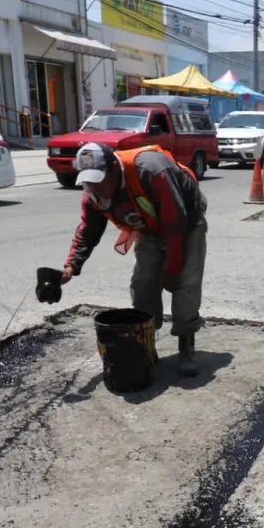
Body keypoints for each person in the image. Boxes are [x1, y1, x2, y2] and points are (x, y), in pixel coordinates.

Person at [60, 142, 208, 376]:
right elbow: (88, 230)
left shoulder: (151, 171)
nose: (94, 187)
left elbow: (175, 223)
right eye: (88, 182)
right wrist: (70, 267)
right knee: (143, 284)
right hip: (149, 226)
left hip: (186, 222)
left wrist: (172, 269)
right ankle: (147, 343)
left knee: (185, 284)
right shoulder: (93, 194)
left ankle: (186, 345)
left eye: (99, 180)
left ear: (114, 169)